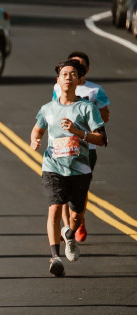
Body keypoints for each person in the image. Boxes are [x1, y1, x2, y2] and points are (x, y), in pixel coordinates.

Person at [31, 60, 106, 277]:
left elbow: (102, 139)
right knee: (54, 208)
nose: (68, 77)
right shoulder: (47, 109)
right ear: (58, 80)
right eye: (64, 74)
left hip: (80, 168)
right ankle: (55, 257)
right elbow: (37, 130)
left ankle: (70, 235)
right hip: (53, 165)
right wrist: (35, 140)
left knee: (77, 215)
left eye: (73, 74)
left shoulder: (87, 108)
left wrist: (78, 132)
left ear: (79, 80)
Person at [52, 51, 110, 242]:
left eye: (80, 66)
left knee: (79, 189)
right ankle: (67, 228)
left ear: (86, 69)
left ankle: (79, 219)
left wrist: (87, 118)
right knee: (62, 188)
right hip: (63, 145)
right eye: (71, 65)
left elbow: (105, 116)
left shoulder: (95, 90)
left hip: (87, 148)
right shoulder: (58, 87)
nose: (75, 69)